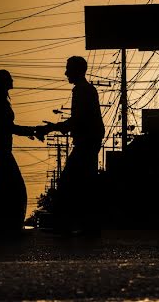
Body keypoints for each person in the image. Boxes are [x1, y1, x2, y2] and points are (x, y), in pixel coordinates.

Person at [39, 56, 105, 235]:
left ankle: (66, 224)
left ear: (77, 70)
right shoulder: (87, 90)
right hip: (90, 141)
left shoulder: (82, 91)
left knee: (68, 181)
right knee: (84, 183)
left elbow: (78, 120)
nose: (66, 72)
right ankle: (87, 225)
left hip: (86, 142)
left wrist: (54, 127)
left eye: (68, 68)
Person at [0, 70, 41, 236]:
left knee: (3, 186)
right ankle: (1, 225)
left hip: (1, 149)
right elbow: (9, 128)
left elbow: (9, 128)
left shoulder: (1, 102)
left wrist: (30, 132)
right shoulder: (0, 103)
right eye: (10, 78)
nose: (13, 80)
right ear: (4, 82)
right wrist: (31, 130)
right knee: (10, 186)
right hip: (0, 149)